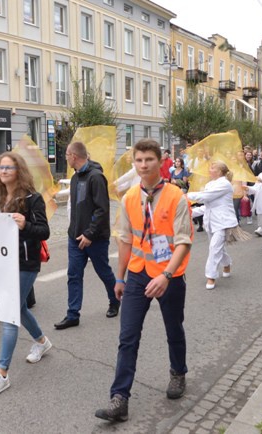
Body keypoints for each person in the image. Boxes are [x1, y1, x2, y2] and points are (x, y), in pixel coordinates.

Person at [95, 139, 193, 422]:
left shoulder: (176, 196)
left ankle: (178, 373)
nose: (143, 165)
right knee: (127, 336)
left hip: (169, 275)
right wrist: (120, 277)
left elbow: (184, 242)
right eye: (138, 160)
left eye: (149, 159)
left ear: (160, 161)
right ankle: (119, 399)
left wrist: (166, 275)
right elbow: (126, 240)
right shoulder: (129, 198)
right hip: (138, 274)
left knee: (173, 328)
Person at [0, 152, 52, 396]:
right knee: (18, 309)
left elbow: (44, 232)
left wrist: (25, 225)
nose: (4, 171)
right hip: (1, 262)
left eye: (9, 167)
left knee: (9, 312)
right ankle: (41, 341)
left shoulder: (32, 198)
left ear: (19, 170)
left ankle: (1, 373)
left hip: (25, 263)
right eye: (0, 168)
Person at [54, 141, 120, 330]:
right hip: (74, 237)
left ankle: (115, 300)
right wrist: (73, 231)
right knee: (74, 274)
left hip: (95, 238)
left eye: (67, 154)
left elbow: (102, 210)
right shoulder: (75, 179)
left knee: (103, 271)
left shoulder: (96, 177)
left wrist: (90, 234)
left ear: (74, 156)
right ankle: (72, 314)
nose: (65, 157)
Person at [187, 161, 238, 290]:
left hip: (223, 222)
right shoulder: (209, 184)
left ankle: (211, 276)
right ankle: (227, 263)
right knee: (217, 247)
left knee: (214, 248)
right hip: (210, 221)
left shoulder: (225, 184)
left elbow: (206, 197)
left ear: (219, 171)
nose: (209, 170)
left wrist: (185, 196)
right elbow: (208, 206)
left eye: (212, 168)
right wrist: (190, 213)